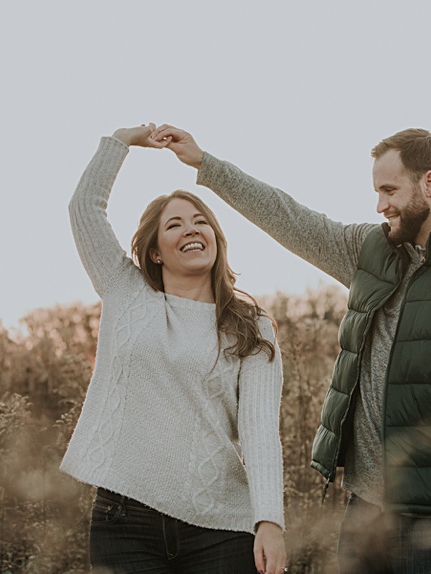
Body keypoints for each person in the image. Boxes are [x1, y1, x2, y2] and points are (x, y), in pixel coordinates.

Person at [148, 124, 431, 574]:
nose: (380, 205)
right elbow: (289, 217)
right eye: (377, 191)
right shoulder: (371, 250)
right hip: (364, 506)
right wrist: (205, 164)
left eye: (389, 189)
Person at [60, 124, 288, 574]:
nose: (192, 229)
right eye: (176, 224)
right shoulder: (126, 294)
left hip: (220, 527)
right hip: (124, 522)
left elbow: (261, 431)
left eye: (201, 221)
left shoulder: (250, 325)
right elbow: (84, 208)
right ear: (156, 251)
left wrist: (269, 522)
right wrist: (121, 141)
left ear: (217, 240)